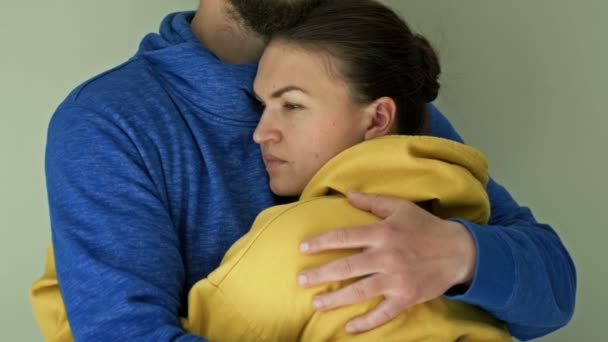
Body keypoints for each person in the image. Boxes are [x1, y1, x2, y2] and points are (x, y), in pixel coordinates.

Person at [31, 0, 576, 341]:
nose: (265, 130)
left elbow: (554, 293)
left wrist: (463, 253)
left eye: (291, 104)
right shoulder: (109, 122)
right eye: (272, 104)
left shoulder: (370, 91)